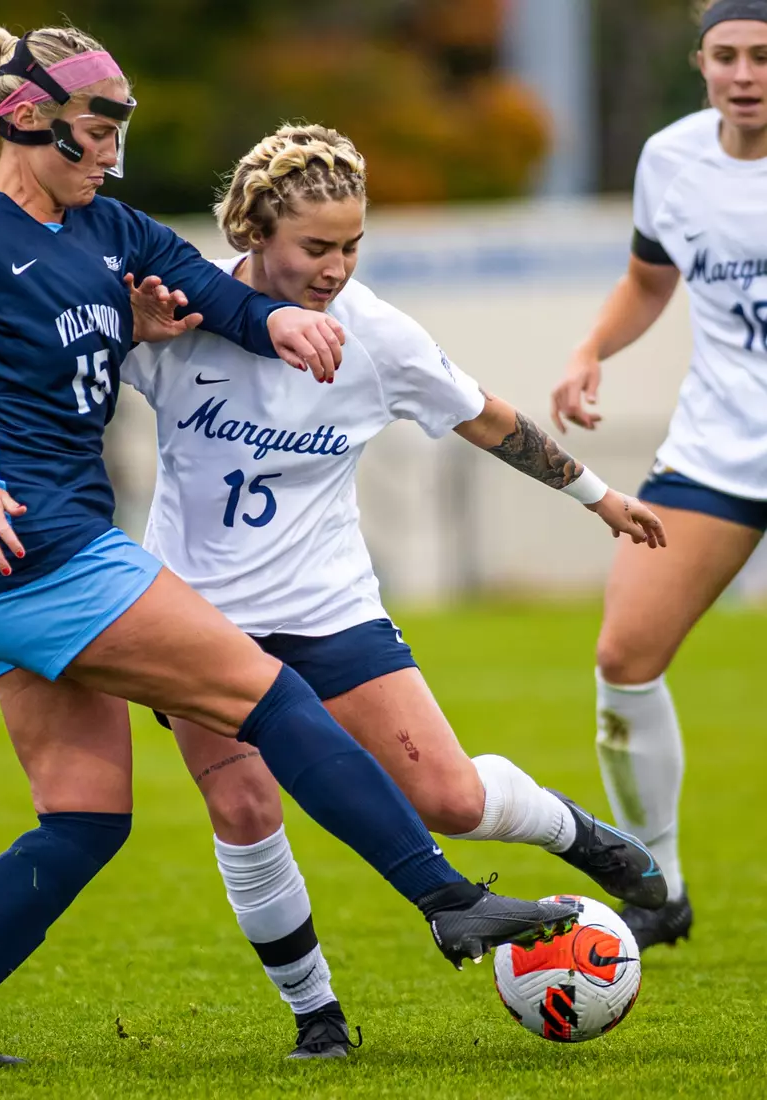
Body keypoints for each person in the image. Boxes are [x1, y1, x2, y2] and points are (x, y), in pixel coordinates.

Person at [0, 24, 581, 1067]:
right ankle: (445, 896)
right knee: (266, 693)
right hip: (38, 552)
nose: (109, 148)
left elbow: (213, 287)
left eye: (117, 129)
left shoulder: (104, 228)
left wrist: (273, 325)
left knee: (85, 819)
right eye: (98, 127)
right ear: (26, 115)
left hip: (26, 566)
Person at [121, 123, 669, 1059]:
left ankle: (579, 835)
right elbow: (56, 385)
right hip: (197, 616)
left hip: (331, 609)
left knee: (448, 800)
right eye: (316, 247)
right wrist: (128, 330)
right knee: (245, 812)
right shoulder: (175, 315)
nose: (337, 268)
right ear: (254, 231)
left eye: (352, 245)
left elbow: (489, 419)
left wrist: (600, 496)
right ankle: (317, 1018)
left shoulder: (375, 334)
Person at [549, 0, 767, 952]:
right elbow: (649, 280)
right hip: (719, 449)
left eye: (763, 56)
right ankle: (660, 882)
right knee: (623, 658)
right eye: (726, 56)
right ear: (700, 63)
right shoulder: (671, 159)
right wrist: (591, 349)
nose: (746, 73)